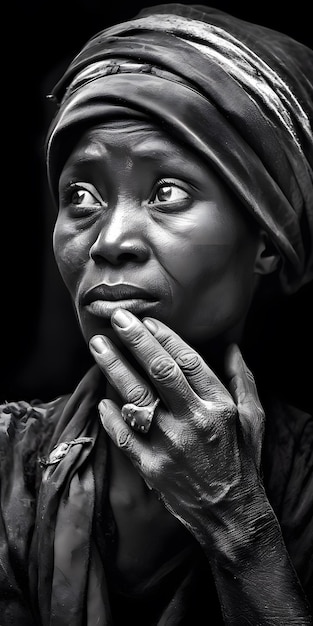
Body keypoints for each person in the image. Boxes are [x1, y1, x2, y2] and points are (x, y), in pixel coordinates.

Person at [1, 3, 312, 624]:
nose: (109, 241)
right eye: (81, 196)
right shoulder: (8, 463)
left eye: (167, 193)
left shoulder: (303, 482)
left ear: (267, 243)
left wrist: (240, 530)